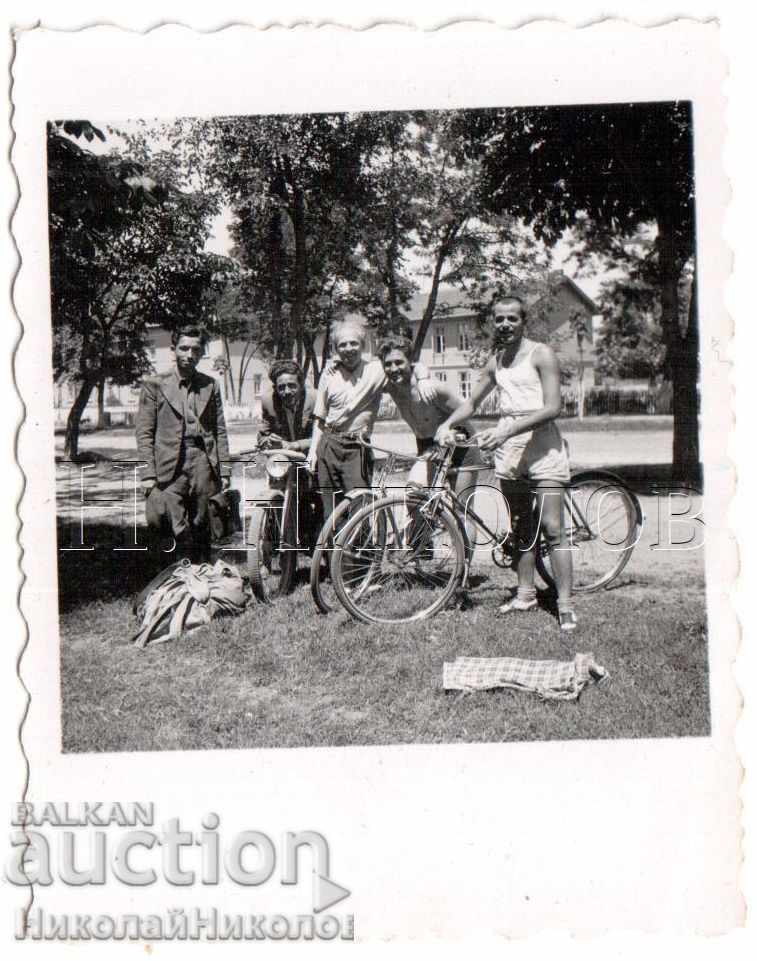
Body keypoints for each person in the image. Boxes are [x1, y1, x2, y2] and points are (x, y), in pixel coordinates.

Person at [434, 296, 576, 631]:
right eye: (499, 319)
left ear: (523, 321)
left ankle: (565, 604)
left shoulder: (541, 354)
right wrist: (447, 424)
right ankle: (525, 594)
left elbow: (553, 407)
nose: (505, 324)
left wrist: (507, 430)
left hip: (542, 445)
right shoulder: (496, 361)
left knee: (553, 527)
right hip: (509, 448)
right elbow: (471, 402)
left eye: (512, 318)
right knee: (521, 524)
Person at [305, 319, 434, 518]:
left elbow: (409, 366)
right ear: (336, 349)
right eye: (342, 345)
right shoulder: (328, 374)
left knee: (360, 506)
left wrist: (423, 378)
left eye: (353, 343)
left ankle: (362, 540)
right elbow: (320, 419)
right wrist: (313, 451)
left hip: (357, 447)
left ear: (363, 345)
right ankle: (334, 540)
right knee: (330, 509)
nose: (348, 349)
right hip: (329, 445)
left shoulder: (377, 370)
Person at [136, 324, 231, 564]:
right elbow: (144, 433)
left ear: (202, 352)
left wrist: (225, 470)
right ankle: (175, 576)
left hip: (203, 462)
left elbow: (219, 430)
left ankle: (202, 575)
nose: (190, 354)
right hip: (170, 464)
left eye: (196, 349)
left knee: (203, 524)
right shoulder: (154, 384)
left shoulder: (211, 385)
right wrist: (148, 474)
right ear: (174, 349)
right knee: (170, 524)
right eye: (184, 348)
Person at [257, 359, 322, 548]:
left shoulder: (316, 399)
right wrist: (268, 440)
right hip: (286, 462)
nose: (286, 392)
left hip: (314, 457)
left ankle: (319, 543)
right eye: (281, 387)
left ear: (301, 384)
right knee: (282, 497)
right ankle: (281, 542)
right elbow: (262, 435)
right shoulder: (268, 401)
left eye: (292, 386)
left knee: (321, 500)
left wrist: (294, 445)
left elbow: (323, 435)